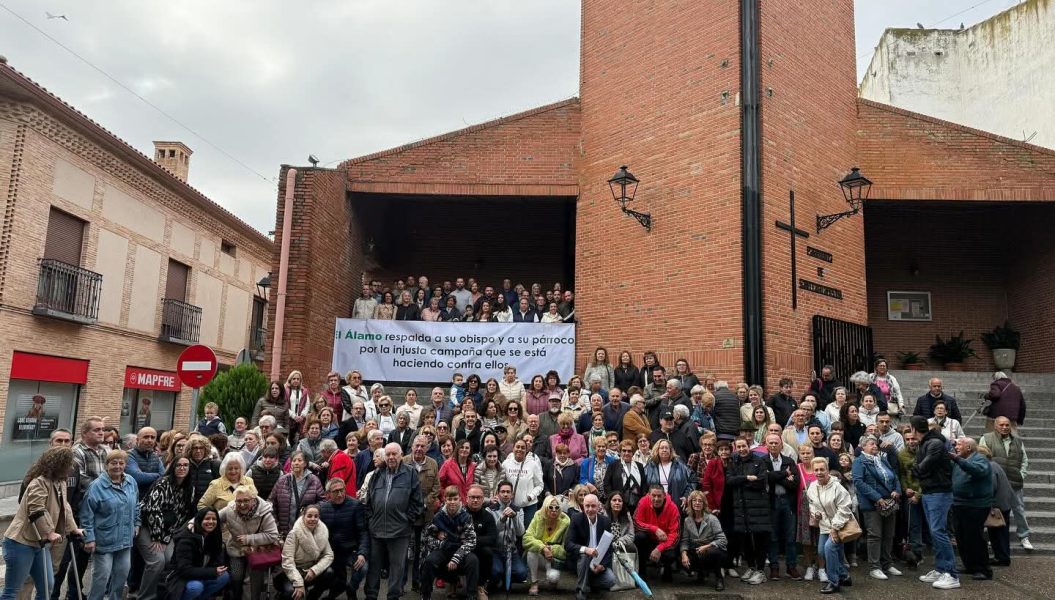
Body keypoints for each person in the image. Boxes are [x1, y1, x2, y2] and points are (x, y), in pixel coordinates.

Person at [2, 447, 82, 600]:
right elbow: (36, 510)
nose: (71, 468)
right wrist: (49, 532)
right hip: (21, 542)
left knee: (47, 585)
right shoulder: (39, 483)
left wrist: (73, 529)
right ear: (58, 465)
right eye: (68, 464)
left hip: (39, 543)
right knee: (12, 591)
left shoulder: (61, 483)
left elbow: (65, 506)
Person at [364, 443, 423, 600]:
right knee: (374, 569)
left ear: (401, 455)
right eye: (388, 454)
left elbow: (417, 503)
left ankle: (393, 597)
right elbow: (368, 500)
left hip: (399, 532)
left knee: (397, 570)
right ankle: (371, 596)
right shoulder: (377, 473)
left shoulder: (410, 473)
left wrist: (407, 521)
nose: (390, 457)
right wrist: (371, 519)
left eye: (394, 454)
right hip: (376, 531)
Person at [81, 449, 139, 600]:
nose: (118, 466)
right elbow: (86, 515)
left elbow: (137, 505)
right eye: (114, 463)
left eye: (121, 463)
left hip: (125, 540)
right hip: (104, 540)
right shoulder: (96, 486)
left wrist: (137, 523)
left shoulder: (131, 481)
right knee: (101, 578)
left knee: (121, 576)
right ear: (106, 465)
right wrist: (89, 538)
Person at [910, 416, 959, 590]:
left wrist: (915, 470)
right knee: (934, 532)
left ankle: (952, 574)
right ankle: (940, 569)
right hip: (930, 491)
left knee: (939, 531)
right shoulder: (927, 443)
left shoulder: (935, 444)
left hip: (939, 492)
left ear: (914, 429)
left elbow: (922, 467)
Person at [137, 455, 195, 600]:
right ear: (173, 467)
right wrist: (158, 537)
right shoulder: (162, 483)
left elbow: (182, 516)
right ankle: (146, 597)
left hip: (167, 532)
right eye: (179, 465)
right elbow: (152, 509)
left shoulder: (189, 488)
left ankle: (161, 594)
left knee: (170, 559)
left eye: (185, 465)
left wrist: (166, 538)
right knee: (157, 561)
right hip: (147, 527)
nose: (182, 468)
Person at [852, 435, 902, 581]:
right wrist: (877, 497)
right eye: (871, 444)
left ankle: (887, 563)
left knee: (889, 534)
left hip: (889, 502)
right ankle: (875, 567)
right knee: (875, 535)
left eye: (876, 444)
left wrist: (897, 490)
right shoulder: (859, 461)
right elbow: (859, 482)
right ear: (863, 447)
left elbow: (895, 476)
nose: (875, 446)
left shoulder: (882, 459)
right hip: (872, 504)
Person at [979, 416, 1032, 550]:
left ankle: (1024, 536)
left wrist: (1021, 474)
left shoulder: (1018, 441)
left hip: (1014, 481)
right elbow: (982, 458)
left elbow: (1025, 460)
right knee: (993, 509)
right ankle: (993, 536)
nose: (1004, 427)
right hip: (995, 482)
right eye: (1001, 425)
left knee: (1019, 509)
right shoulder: (986, 438)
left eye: (1007, 425)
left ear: (1010, 426)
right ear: (995, 426)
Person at [219, 485, 280, 600]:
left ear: (253, 499)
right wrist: (193, 522)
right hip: (236, 549)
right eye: (239, 501)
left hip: (257, 551)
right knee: (236, 577)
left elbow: (273, 535)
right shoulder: (230, 509)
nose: (242, 504)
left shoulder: (264, 513)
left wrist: (249, 538)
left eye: (246, 500)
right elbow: (213, 516)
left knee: (253, 582)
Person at [420, 486, 481, 600]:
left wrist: (456, 558)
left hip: (460, 549)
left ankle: (472, 595)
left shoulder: (466, 517)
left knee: (473, 561)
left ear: (460, 500)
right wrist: (442, 543)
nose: (452, 502)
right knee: (429, 561)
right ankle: (425, 594)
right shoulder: (438, 516)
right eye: (449, 499)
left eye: (455, 499)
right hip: (443, 549)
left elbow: (471, 541)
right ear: (445, 500)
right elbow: (427, 538)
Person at [725, 437, 770, 585]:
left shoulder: (759, 461)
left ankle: (760, 570)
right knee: (746, 540)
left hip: (758, 508)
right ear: (735, 448)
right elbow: (730, 480)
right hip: (741, 508)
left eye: (744, 446)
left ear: (748, 446)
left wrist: (742, 482)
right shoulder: (733, 462)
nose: (742, 449)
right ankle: (751, 567)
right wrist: (746, 478)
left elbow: (761, 481)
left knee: (759, 540)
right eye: (739, 447)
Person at [949, 436, 993, 582]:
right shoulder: (959, 460)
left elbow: (978, 471)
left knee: (975, 537)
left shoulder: (980, 459)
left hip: (976, 505)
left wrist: (957, 459)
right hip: (959, 504)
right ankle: (970, 565)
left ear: (968, 448)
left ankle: (983, 569)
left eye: (959, 445)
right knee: (962, 537)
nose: (956, 448)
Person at [806, 457, 853, 594]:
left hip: (840, 524)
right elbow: (812, 504)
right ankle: (845, 575)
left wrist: (835, 528)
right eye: (816, 470)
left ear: (827, 470)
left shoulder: (837, 487)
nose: (819, 472)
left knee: (829, 549)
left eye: (822, 469)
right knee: (822, 551)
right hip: (824, 525)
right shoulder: (813, 486)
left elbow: (845, 508)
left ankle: (834, 582)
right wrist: (816, 514)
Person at [164, 507, 230, 600]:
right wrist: (212, 571)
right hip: (181, 577)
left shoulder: (214, 535)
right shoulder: (186, 539)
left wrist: (216, 568)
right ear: (199, 520)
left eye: (214, 519)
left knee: (224, 576)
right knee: (196, 587)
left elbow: (217, 560)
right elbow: (184, 570)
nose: (211, 522)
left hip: (200, 572)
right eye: (207, 519)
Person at [763, 433, 801, 580]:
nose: (773, 445)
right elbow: (764, 478)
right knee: (773, 537)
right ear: (766, 445)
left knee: (790, 537)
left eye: (776, 443)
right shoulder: (762, 461)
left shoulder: (789, 461)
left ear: (781, 445)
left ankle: (791, 567)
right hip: (771, 502)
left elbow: (795, 482)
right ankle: (774, 567)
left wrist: (774, 477)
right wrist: (785, 474)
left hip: (787, 502)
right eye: (770, 443)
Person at [277, 505, 336, 600]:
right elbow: (287, 562)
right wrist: (298, 583)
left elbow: (329, 555)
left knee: (330, 573)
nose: (313, 519)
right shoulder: (294, 534)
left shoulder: (322, 532)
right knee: (291, 593)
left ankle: (313, 596)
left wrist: (314, 570)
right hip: (292, 573)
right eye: (309, 516)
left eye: (316, 516)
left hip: (310, 572)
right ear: (303, 517)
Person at [564, 493, 615, 600]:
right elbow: (568, 545)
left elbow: (610, 549)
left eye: (593, 506)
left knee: (611, 580)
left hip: (598, 561)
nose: (590, 509)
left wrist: (603, 566)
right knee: (585, 555)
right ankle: (581, 590)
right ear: (583, 506)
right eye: (587, 506)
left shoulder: (605, 521)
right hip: (581, 560)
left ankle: (588, 582)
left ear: (598, 506)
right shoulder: (576, 519)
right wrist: (586, 549)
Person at [679, 490, 727, 590]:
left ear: (704, 503)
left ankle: (719, 578)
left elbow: (723, 540)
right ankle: (701, 573)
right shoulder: (687, 520)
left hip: (712, 550)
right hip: (696, 550)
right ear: (690, 503)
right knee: (680, 559)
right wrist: (684, 555)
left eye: (700, 501)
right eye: (694, 500)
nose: (697, 503)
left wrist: (707, 546)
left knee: (712, 553)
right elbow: (685, 541)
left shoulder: (712, 518)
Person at [523, 495, 569, 594]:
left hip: (553, 559)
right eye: (550, 507)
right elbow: (526, 539)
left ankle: (550, 579)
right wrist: (543, 547)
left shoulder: (566, 522)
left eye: (557, 507)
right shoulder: (538, 516)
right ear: (545, 508)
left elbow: (567, 549)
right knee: (531, 551)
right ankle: (534, 582)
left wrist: (551, 548)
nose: (554, 510)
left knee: (553, 578)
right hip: (538, 555)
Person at [633, 485, 680, 581]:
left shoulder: (673, 508)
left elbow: (675, 535)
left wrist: (659, 548)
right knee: (639, 537)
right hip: (649, 540)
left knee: (672, 554)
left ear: (664, 495)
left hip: (664, 542)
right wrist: (654, 529)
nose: (656, 499)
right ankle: (642, 571)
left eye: (659, 496)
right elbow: (636, 523)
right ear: (649, 495)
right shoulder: (643, 502)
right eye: (653, 495)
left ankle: (666, 568)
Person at [979, 446, 1014, 567]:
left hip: (998, 506)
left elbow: (991, 487)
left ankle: (1002, 558)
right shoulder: (995, 465)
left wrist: (990, 505)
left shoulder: (990, 467)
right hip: (1003, 503)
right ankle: (1002, 556)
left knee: (998, 533)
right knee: (1000, 533)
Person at [603, 440, 647, 513]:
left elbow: (644, 484)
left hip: (636, 503)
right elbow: (606, 483)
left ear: (633, 453)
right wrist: (613, 498)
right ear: (620, 452)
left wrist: (642, 500)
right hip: (618, 503)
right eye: (624, 450)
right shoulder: (613, 465)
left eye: (629, 451)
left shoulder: (639, 466)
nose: (626, 453)